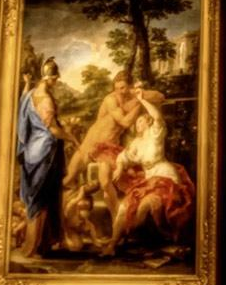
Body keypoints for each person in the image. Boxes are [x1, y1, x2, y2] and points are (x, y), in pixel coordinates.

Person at [62, 71, 164, 214]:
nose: (119, 91)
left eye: (123, 88)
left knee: (107, 181)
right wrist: (139, 102)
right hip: (91, 144)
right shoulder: (111, 100)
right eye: (116, 88)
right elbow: (125, 122)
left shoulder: (133, 96)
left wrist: (140, 93)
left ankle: (116, 213)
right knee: (68, 180)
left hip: (109, 148)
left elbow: (160, 97)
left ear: (130, 86)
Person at [107, 91, 194, 254]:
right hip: (149, 180)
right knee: (124, 207)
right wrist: (119, 167)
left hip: (165, 177)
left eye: (140, 121)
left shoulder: (156, 133)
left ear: (148, 121)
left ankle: (143, 237)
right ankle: (112, 244)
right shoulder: (136, 143)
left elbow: (157, 116)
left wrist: (142, 100)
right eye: (136, 122)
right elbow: (123, 157)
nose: (137, 124)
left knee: (146, 205)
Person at [17, 57, 79, 257]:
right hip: (45, 153)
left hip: (31, 152)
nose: (56, 81)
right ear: (50, 78)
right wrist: (72, 138)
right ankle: (33, 245)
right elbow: (53, 130)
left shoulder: (31, 94)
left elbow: (22, 103)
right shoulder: (46, 100)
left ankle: (43, 243)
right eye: (55, 79)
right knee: (43, 198)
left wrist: (27, 84)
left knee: (39, 197)